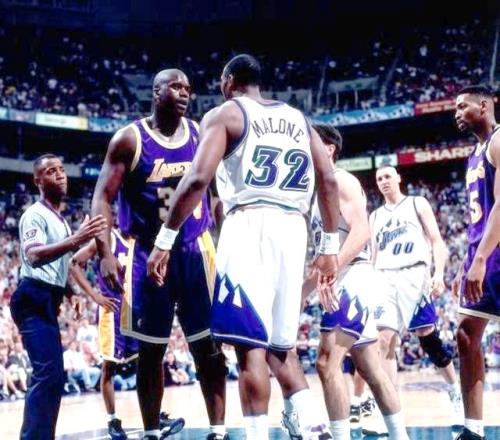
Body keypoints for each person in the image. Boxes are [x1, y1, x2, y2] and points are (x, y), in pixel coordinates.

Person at [148, 54, 338, 440]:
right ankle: (313, 426)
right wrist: (329, 246)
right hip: (294, 229)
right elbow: (329, 179)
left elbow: (197, 179)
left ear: (229, 81)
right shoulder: (299, 119)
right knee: (280, 348)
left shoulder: (227, 114)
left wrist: (165, 239)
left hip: (250, 224)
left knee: (248, 347)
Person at [91, 69, 227, 440]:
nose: (185, 93)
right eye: (176, 86)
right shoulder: (129, 139)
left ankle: (218, 430)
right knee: (151, 353)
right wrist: (105, 252)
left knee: (208, 346)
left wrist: (226, 235)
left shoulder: (200, 133)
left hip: (195, 249)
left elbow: (216, 192)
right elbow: (102, 197)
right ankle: (151, 432)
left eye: (188, 88)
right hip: (146, 255)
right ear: (156, 91)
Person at [300, 123, 409, 440]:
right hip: (344, 277)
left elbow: (362, 232)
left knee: (326, 363)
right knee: (371, 369)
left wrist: (331, 271)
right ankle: (400, 436)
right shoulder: (316, 190)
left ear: (328, 149)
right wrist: (300, 295)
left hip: (354, 278)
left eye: (309, 142)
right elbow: (325, 258)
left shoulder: (341, 180)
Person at [9, 154, 107, 439]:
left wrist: (70, 291)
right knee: (47, 374)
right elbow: (34, 255)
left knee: (53, 376)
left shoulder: (60, 220)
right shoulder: (34, 215)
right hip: (32, 298)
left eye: (62, 169)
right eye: (51, 171)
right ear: (38, 181)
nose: (60, 174)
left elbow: (59, 264)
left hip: (48, 298)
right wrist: (76, 239)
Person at [70, 228, 185, 439]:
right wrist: (95, 296)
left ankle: (155, 416)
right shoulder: (108, 239)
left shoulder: (140, 241)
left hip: (134, 308)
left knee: (148, 362)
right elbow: (74, 263)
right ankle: (112, 421)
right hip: (111, 310)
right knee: (109, 366)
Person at [369, 165, 463, 423]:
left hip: (414, 274)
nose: (383, 181)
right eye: (379, 178)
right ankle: (390, 411)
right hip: (384, 277)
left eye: (387, 176)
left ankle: (454, 389)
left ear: (398, 178)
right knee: (383, 341)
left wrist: (438, 273)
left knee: (427, 337)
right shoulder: (375, 216)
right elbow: (374, 255)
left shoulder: (416, 203)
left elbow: (436, 241)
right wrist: (370, 284)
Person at [453, 85, 500, 440]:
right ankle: (473, 430)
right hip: (481, 251)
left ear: (483, 106)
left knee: (468, 332)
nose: (456, 113)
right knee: (466, 335)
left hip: (493, 252)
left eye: (462, 106)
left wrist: (481, 257)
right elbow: (477, 218)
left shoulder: (499, 140)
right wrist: (466, 261)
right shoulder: (474, 154)